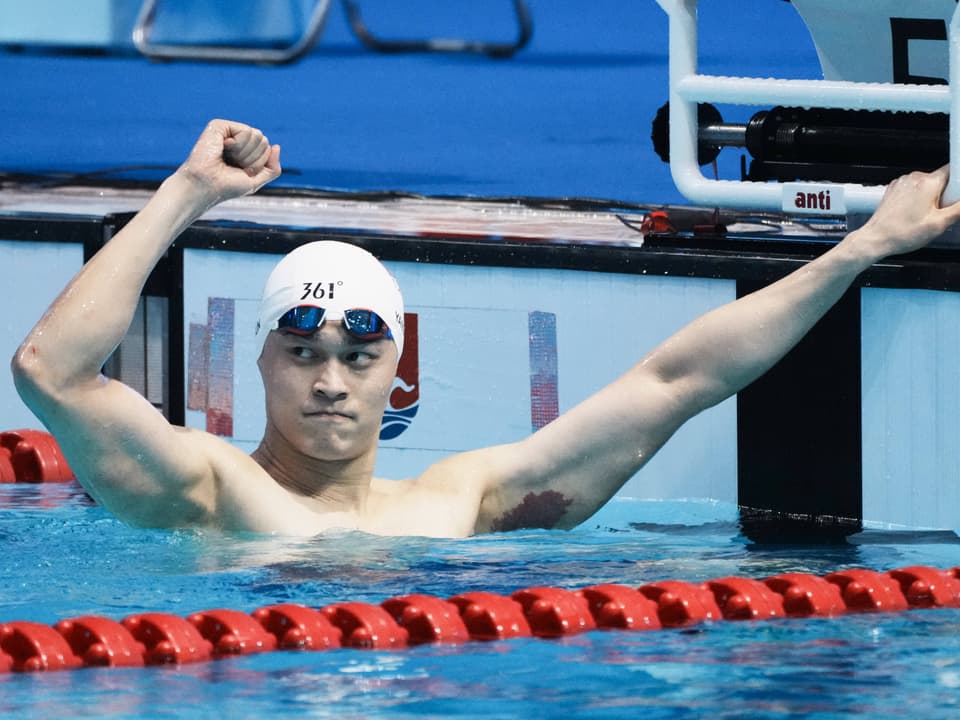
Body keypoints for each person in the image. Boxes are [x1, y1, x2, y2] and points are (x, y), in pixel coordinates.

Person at [11, 119, 960, 537]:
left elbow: (676, 382)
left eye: (356, 353)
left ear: (398, 369)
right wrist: (189, 192)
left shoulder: (461, 502)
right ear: (261, 360)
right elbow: (52, 370)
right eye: (301, 353)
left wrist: (859, 249)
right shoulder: (210, 489)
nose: (330, 381)